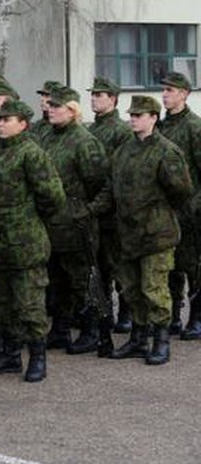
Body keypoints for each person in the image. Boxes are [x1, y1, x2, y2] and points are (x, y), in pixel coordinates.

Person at [0, 100, 65, 381]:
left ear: (23, 124)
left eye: (8, 119)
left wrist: (26, 218)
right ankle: (11, 355)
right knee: (3, 303)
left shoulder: (32, 154)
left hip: (25, 242)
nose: (1, 123)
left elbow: (53, 197)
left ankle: (38, 357)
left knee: (30, 304)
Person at [109, 95, 193, 365]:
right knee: (131, 288)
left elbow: (181, 191)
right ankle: (138, 337)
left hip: (157, 233)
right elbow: (114, 185)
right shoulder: (124, 150)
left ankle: (161, 340)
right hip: (129, 233)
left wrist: (158, 212)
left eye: (139, 115)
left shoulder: (166, 151)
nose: (133, 119)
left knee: (154, 288)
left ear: (153, 118)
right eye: (131, 115)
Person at [39, 87, 110, 352]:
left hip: (76, 225)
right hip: (52, 223)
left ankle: (91, 330)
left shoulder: (84, 141)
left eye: (57, 107)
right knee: (56, 280)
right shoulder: (47, 136)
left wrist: (86, 210)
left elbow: (101, 184)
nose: (51, 110)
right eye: (50, 106)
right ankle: (60, 329)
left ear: (72, 110)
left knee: (81, 279)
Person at [87, 76, 134, 336]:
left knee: (119, 266)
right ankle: (104, 313)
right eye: (93, 94)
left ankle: (126, 313)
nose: (94, 98)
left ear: (113, 99)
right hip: (95, 209)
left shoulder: (121, 131)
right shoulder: (91, 130)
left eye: (100, 95)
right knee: (100, 267)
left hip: (114, 210)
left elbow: (121, 172)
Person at [157, 72, 201, 340]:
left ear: (184, 94)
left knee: (192, 266)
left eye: (171, 90)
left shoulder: (194, 127)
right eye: (164, 90)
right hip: (166, 211)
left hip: (190, 211)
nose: (165, 95)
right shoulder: (161, 126)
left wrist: (195, 206)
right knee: (169, 266)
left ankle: (196, 317)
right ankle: (173, 316)